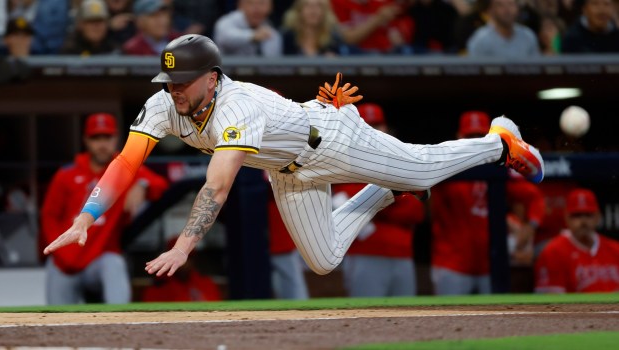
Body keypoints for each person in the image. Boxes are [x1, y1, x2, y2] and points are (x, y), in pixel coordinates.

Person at [43, 34, 545, 282]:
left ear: (212, 78)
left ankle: (501, 142)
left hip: (329, 137)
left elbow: (217, 185)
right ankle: (385, 191)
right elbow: (126, 164)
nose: (172, 90)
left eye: (182, 82)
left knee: (424, 166)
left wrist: (184, 246)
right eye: (167, 82)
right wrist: (88, 215)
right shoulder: (163, 104)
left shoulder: (235, 105)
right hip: (286, 171)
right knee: (323, 262)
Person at [40, 113, 169, 305]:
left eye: (107, 137)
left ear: (116, 138)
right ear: (86, 140)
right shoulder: (67, 174)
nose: (102, 144)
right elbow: (49, 217)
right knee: (55, 320)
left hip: (99, 259)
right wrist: (62, 256)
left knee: (114, 264)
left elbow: (161, 185)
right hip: (64, 260)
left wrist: (142, 184)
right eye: (96, 138)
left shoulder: (125, 168)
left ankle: (120, 325)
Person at [430, 111, 545, 295]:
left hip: (489, 265)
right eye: (469, 136)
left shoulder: (500, 169)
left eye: (479, 136)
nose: (475, 142)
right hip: (451, 264)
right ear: (459, 137)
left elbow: (533, 197)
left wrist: (530, 226)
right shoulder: (444, 165)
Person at [333, 103, 426, 297]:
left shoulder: (402, 158)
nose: (374, 131)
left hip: (402, 253)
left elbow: (416, 211)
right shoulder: (344, 162)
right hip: (364, 253)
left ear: (386, 128)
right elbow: (344, 203)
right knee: (365, 318)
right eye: (368, 125)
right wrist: (394, 196)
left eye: (377, 125)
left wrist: (375, 204)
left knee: (408, 318)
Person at [535, 188, 619, 293]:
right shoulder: (553, 252)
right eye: (577, 215)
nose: (583, 221)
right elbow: (551, 303)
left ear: (598, 217)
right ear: (566, 218)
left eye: (588, 215)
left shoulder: (615, 249)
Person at [141, 235, 223, 301]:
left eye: (189, 258)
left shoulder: (205, 283)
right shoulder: (159, 287)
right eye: (175, 257)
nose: (184, 263)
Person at [330, 0, 414, 54]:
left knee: (407, 51)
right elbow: (348, 39)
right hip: (357, 54)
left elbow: (396, 39)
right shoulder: (339, 3)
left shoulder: (381, 4)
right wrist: (377, 19)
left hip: (386, 53)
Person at [467, 0, 541, 57]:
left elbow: (536, 70)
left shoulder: (528, 36)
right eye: (500, 5)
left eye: (511, 4)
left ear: (517, 8)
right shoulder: (480, 40)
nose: (507, 10)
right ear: (491, 10)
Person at [213, 0, 283, 56]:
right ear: (240, 5)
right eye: (250, 3)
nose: (256, 9)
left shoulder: (272, 33)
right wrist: (253, 36)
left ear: (270, 7)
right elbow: (224, 37)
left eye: (262, 3)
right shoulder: (227, 22)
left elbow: (272, 66)